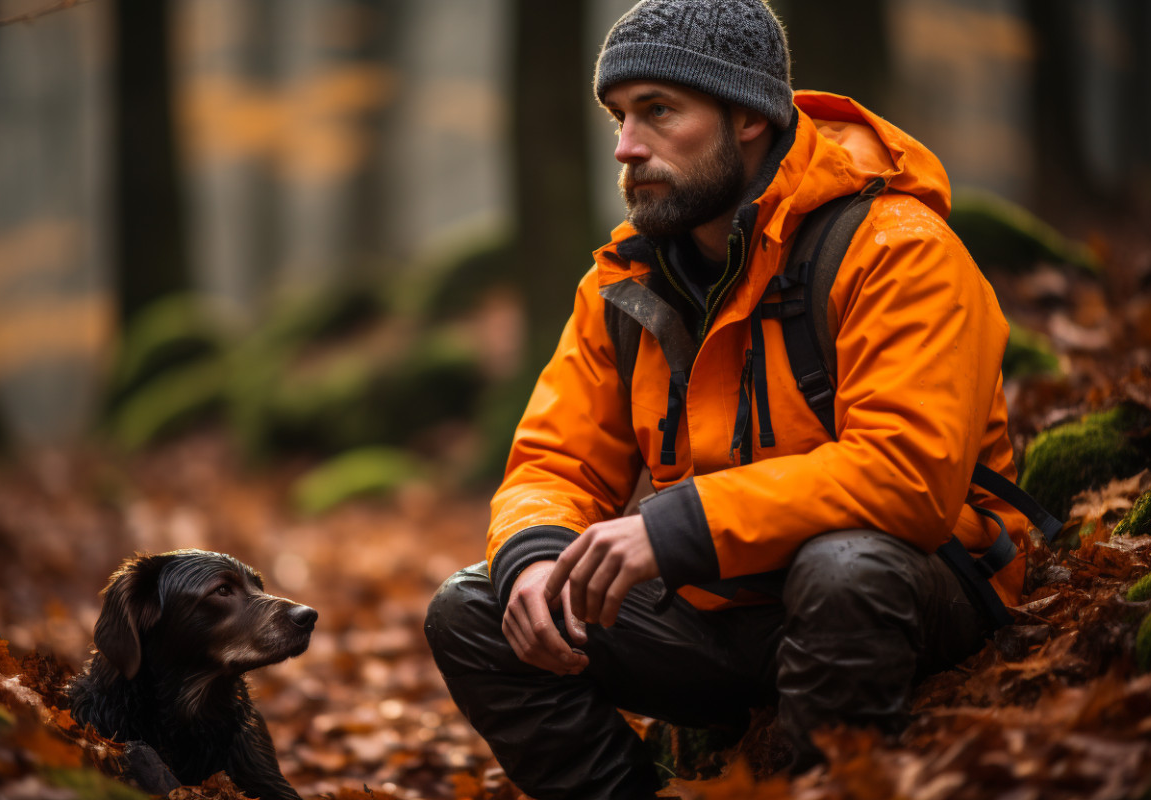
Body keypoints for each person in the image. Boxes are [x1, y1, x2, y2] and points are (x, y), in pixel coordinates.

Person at [424, 1, 1029, 797]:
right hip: (723, 603)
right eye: (617, 115)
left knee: (842, 567)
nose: (625, 146)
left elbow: (908, 475)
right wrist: (535, 559)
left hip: (911, 589)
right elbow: (554, 461)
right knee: (472, 608)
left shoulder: (896, 248)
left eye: (658, 112)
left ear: (748, 115)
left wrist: (675, 528)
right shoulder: (621, 287)